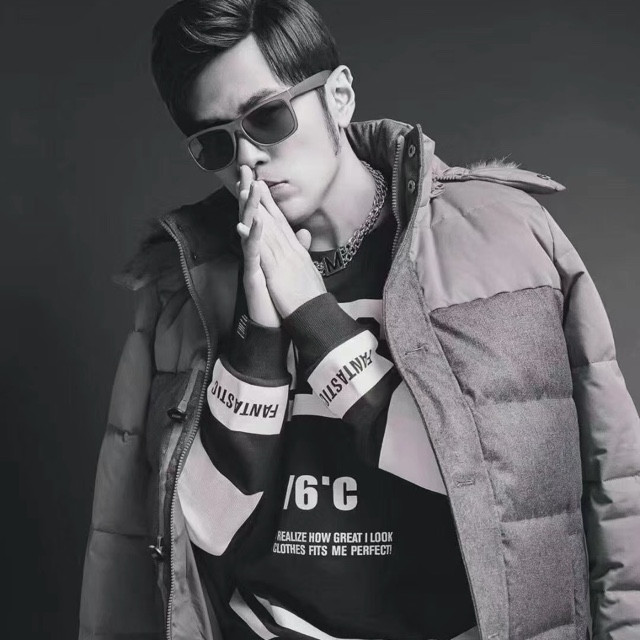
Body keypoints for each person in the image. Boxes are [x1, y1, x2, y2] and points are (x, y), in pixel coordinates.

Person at [78, 1, 640, 639]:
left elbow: (525, 493)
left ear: (338, 96)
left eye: (267, 117)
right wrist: (259, 340)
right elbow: (197, 533)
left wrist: (314, 319)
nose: (248, 158)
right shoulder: (183, 288)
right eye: (216, 142)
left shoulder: (500, 243)